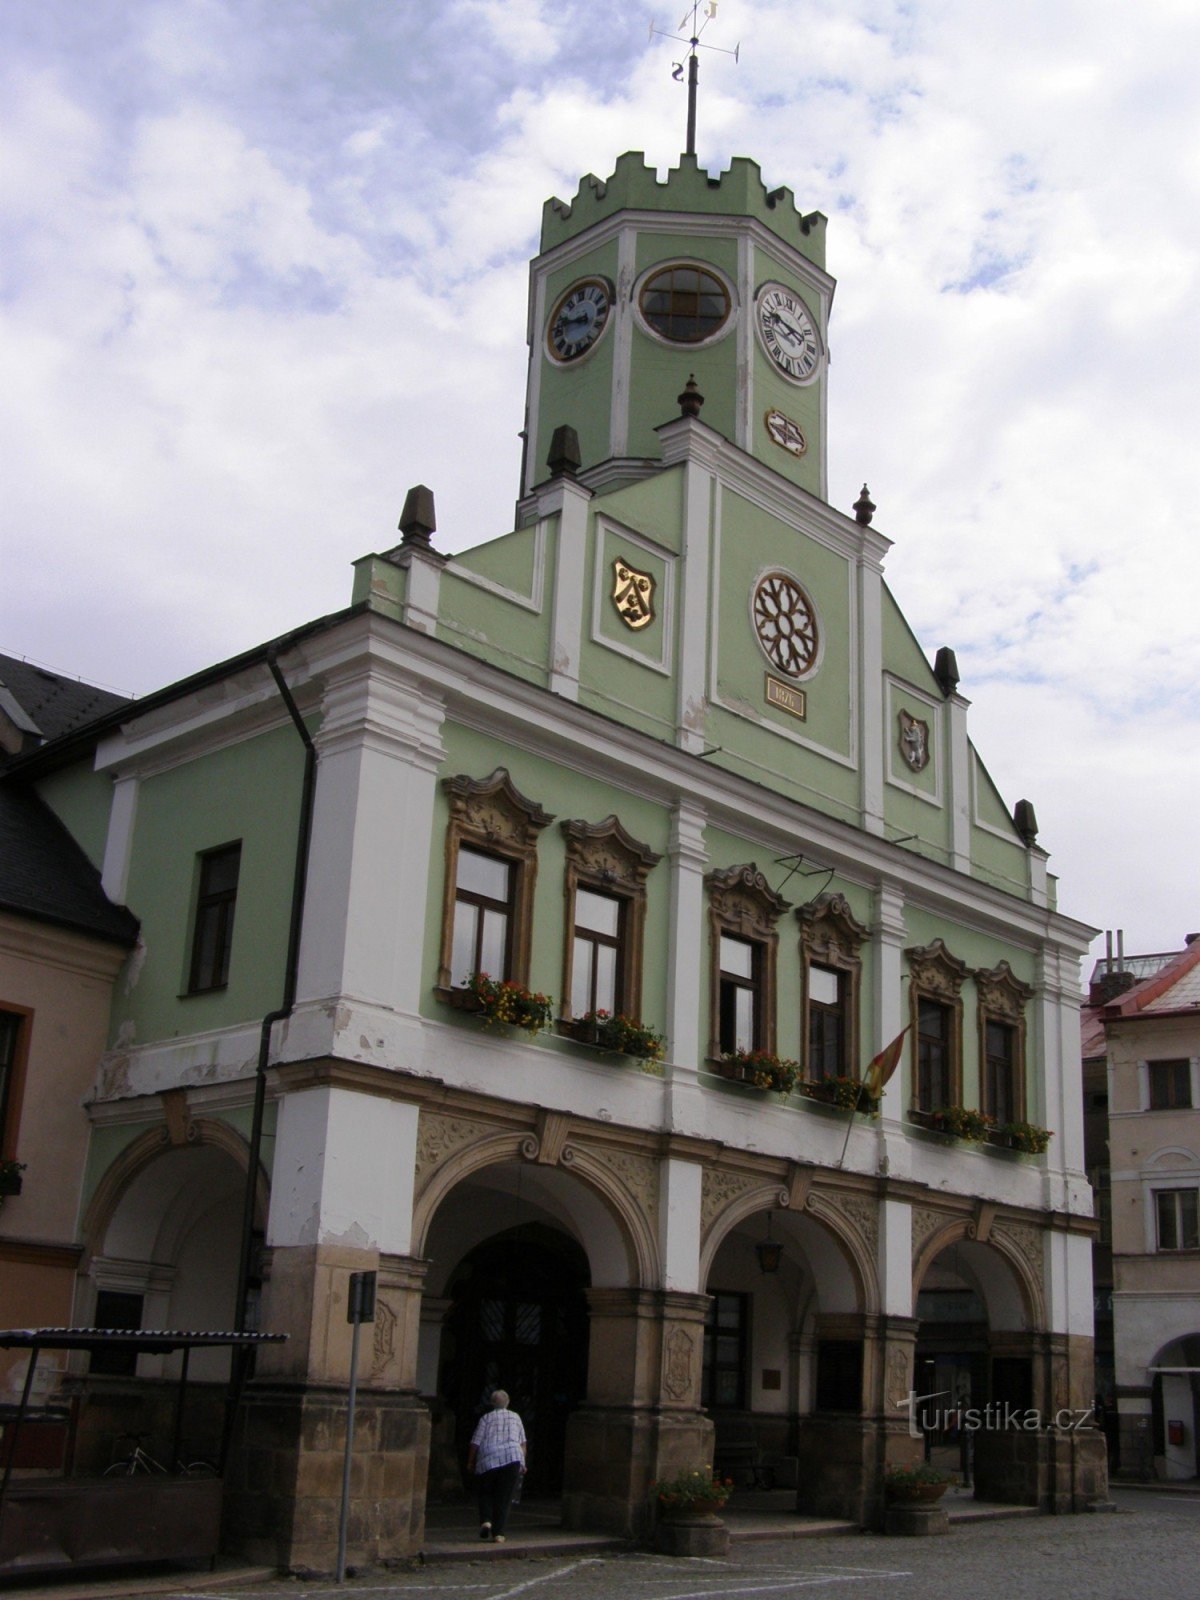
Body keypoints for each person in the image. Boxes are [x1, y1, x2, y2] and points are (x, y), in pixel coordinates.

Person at [467, 1389, 527, 1543]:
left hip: (489, 1459)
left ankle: (486, 1520)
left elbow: (476, 1442)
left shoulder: (486, 1418)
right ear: (507, 1402)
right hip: (512, 1457)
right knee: (504, 1497)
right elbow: (522, 1443)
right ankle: (499, 1533)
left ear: (492, 1403)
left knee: (486, 1492)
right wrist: (523, 1462)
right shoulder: (515, 1417)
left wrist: (470, 1461)